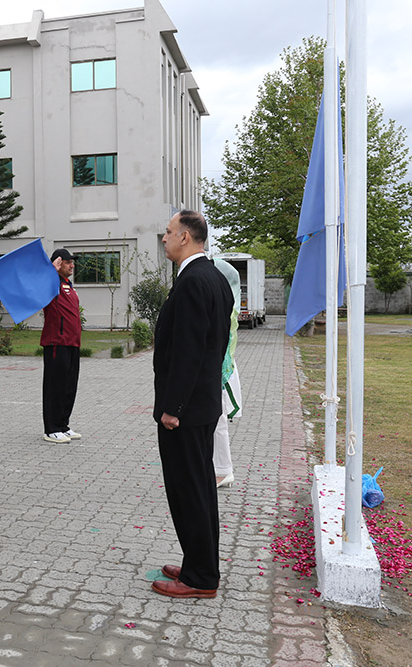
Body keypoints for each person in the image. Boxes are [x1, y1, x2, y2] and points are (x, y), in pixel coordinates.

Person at [151, 210, 233, 599]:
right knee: (199, 488)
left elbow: (189, 352)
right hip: (202, 405)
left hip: (185, 412)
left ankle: (201, 577)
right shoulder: (215, 277)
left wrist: (172, 408)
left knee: (189, 491)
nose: (163, 238)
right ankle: (199, 561)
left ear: (185, 236)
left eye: (167, 232)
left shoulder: (193, 282)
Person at [40, 248, 82, 444]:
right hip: (56, 342)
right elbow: (38, 283)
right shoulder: (50, 283)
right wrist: (51, 270)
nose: (72, 265)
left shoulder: (67, 285)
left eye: (72, 262)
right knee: (55, 387)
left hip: (72, 343)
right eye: (67, 262)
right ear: (58, 263)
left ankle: (63, 425)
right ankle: (51, 428)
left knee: (68, 387)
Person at [212, 258, 244, 489]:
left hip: (220, 372)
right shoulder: (228, 306)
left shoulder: (226, 309)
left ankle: (223, 470)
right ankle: (218, 468)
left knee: (217, 420)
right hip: (220, 370)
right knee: (215, 420)